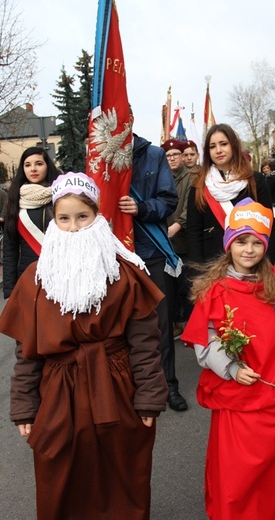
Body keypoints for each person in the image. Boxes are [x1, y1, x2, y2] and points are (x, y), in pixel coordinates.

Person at [0, 172, 168, 520]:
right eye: (64, 218)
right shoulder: (37, 278)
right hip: (59, 391)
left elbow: (145, 343)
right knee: (59, 475)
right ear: (54, 221)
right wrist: (24, 404)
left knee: (121, 475)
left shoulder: (123, 272)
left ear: (97, 216)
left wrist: (150, 395)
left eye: (82, 217)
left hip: (116, 386)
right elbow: (26, 350)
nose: (73, 227)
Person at [181, 197, 275, 520]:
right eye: (241, 240)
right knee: (235, 476)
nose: (249, 249)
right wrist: (231, 367)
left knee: (268, 476)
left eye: (257, 242)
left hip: (273, 397)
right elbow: (206, 339)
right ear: (229, 243)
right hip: (236, 398)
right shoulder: (215, 289)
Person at [118, 110, 188, 411]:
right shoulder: (101, 159)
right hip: (116, 254)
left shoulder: (154, 154)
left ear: (131, 119)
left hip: (151, 252)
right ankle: (131, 387)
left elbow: (168, 200)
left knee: (159, 324)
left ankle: (167, 385)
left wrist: (141, 207)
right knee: (121, 325)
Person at [186, 123, 275, 265]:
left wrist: (268, 265)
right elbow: (193, 233)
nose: (218, 150)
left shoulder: (255, 180)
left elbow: (268, 226)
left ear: (233, 145)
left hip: (251, 261)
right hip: (213, 264)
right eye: (212, 146)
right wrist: (197, 272)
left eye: (223, 144)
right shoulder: (199, 185)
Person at [3, 146, 60, 299]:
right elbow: (10, 248)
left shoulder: (62, 195)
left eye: (39, 164)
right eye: (27, 165)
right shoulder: (15, 200)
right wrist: (10, 289)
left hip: (61, 275)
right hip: (29, 277)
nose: (33, 169)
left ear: (48, 166)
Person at [161, 138, 192, 337]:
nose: (172, 158)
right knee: (168, 287)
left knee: (186, 285)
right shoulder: (162, 178)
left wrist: (177, 225)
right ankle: (175, 322)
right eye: (168, 156)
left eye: (175, 155)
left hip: (184, 241)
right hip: (165, 241)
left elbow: (189, 208)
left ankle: (189, 322)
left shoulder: (191, 178)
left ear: (182, 156)